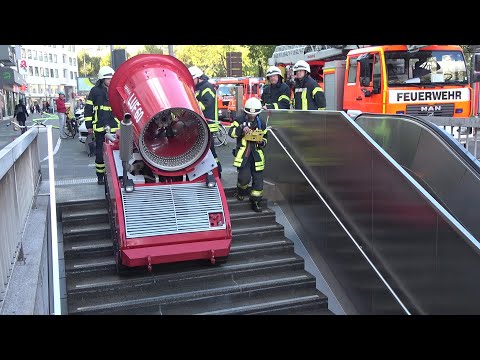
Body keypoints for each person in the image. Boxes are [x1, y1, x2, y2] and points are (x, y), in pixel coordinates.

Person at [228, 97, 268, 213]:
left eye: (254, 114)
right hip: (244, 155)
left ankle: (256, 201)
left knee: (258, 182)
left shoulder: (262, 124)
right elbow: (231, 133)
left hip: (257, 157)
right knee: (244, 178)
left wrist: (261, 141)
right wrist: (241, 128)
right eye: (250, 113)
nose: (252, 116)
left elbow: (265, 140)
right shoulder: (239, 120)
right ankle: (241, 191)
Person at [84, 66, 120, 185]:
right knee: (99, 153)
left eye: (112, 78)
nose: (110, 81)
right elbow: (88, 109)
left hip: (115, 127)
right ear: (102, 79)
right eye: (108, 79)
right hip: (100, 127)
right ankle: (100, 177)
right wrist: (89, 125)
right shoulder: (95, 91)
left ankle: (117, 175)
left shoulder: (115, 90)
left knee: (117, 151)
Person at [188, 65, 222, 177]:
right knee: (205, 150)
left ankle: (217, 172)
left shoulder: (207, 87)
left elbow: (206, 103)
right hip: (201, 124)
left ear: (198, 77)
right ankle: (209, 172)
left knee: (210, 150)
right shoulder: (198, 87)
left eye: (192, 78)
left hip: (209, 125)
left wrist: (192, 107)